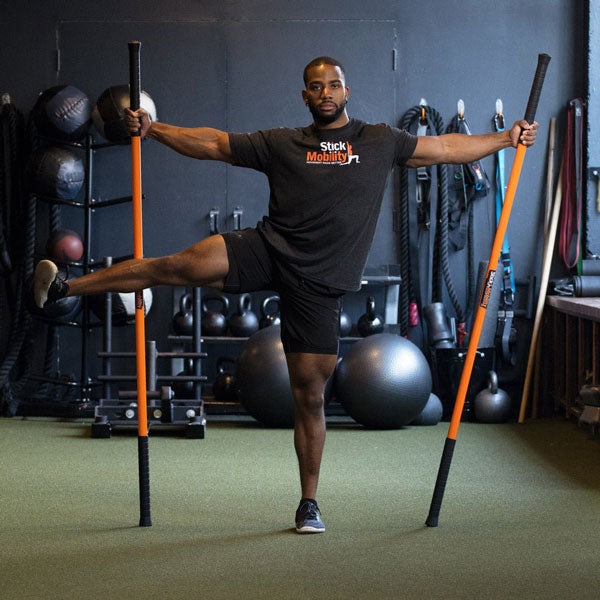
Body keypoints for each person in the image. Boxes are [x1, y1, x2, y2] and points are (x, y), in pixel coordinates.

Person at [33, 56, 538, 534]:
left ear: (346, 90)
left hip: (321, 286)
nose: (325, 93)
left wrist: (506, 137)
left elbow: (448, 149)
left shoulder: (381, 141)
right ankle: (64, 286)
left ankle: (309, 502)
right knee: (176, 265)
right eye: (316, 86)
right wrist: (155, 129)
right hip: (269, 248)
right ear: (304, 95)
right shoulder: (283, 143)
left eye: (333, 85)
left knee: (309, 398)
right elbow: (214, 144)